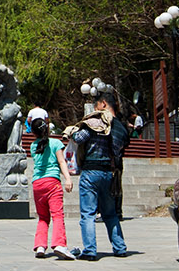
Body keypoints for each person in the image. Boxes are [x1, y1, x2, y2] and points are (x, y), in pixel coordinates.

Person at [71, 90, 131, 260]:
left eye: (96, 105)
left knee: (88, 214)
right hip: (108, 172)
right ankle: (120, 248)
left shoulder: (95, 122)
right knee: (110, 213)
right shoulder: (118, 126)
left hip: (90, 171)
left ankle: (90, 251)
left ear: (103, 104)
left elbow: (79, 138)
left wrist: (73, 132)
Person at [27, 116, 74, 260]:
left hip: (37, 184)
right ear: (47, 128)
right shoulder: (56, 143)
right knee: (57, 214)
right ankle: (59, 244)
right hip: (52, 182)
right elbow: (61, 162)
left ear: (33, 133)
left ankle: (40, 246)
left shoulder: (33, 146)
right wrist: (68, 178)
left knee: (43, 217)